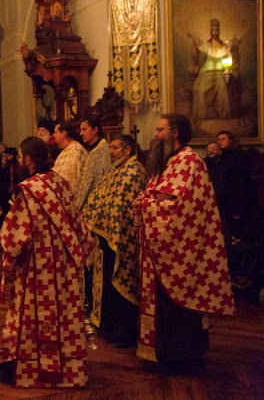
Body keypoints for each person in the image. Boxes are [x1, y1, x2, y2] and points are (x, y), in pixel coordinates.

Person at [0, 136, 96, 388]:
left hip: (37, 271)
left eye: (22, 157)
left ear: (29, 159)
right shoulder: (62, 184)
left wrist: (8, 269)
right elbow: (83, 233)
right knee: (64, 320)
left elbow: (12, 239)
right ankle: (69, 372)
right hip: (65, 271)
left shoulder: (29, 191)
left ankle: (21, 369)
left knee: (27, 319)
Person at [134, 113, 235, 371]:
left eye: (160, 130)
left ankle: (182, 355)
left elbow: (181, 208)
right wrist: (145, 200)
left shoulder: (189, 161)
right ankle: (163, 352)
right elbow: (159, 194)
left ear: (175, 132)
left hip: (182, 250)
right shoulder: (168, 161)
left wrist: (146, 205)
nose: (155, 134)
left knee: (178, 304)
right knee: (163, 304)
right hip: (164, 249)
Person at [81, 135, 148, 348]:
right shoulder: (115, 170)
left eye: (115, 147)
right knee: (105, 285)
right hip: (104, 239)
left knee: (119, 282)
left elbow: (121, 209)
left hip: (121, 240)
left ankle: (122, 331)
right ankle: (105, 324)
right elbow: (97, 197)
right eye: (110, 147)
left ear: (127, 150)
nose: (111, 151)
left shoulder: (134, 172)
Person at [189, 19, 236, 122]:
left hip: (219, 73)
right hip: (206, 73)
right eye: (213, 30)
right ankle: (201, 115)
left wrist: (230, 52)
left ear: (219, 31)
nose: (215, 32)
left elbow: (228, 61)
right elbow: (197, 56)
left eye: (217, 30)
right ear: (211, 31)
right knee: (200, 89)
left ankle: (224, 114)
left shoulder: (224, 46)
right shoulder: (206, 45)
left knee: (223, 87)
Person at [75, 116, 110, 209]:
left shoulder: (103, 151)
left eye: (84, 129)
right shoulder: (92, 149)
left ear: (95, 130)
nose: (81, 133)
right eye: (81, 130)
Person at [52, 121, 87, 191]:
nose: (53, 135)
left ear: (63, 134)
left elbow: (70, 180)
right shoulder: (67, 150)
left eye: (55, 132)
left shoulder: (75, 151)